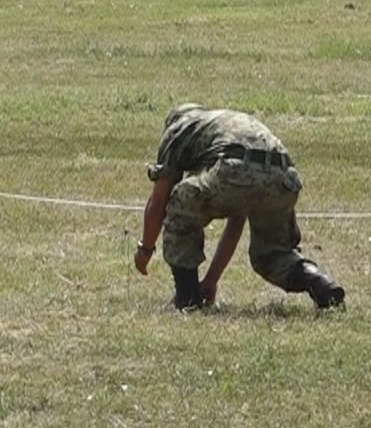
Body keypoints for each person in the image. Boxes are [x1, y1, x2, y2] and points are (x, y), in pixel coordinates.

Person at [133, 104, 345, 311]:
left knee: (181, 206)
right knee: (271, 255)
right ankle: (321, 283)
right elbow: (237, 218)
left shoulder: (178, 130)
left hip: (237, 167)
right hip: (283, 175)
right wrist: (210, 281)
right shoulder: (223, 127)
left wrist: (145, 249)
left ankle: (187, 298)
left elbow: (159, 202)